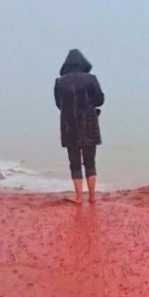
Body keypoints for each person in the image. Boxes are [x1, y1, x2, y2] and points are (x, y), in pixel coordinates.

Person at [54, 49, 105, 204]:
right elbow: (100, 100)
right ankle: (92, 196)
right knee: (90, 162)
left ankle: (78, 197)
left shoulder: (60, 82)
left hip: (69, 126)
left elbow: (58, 104)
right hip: (89, 123)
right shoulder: (91, 79)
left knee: (74, 163)